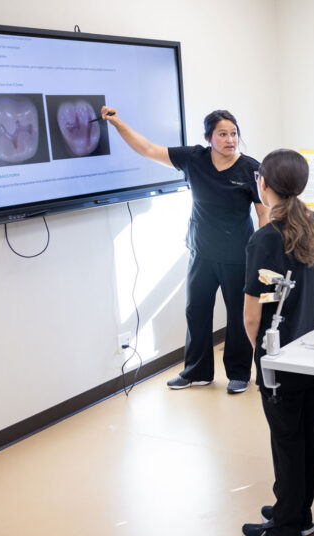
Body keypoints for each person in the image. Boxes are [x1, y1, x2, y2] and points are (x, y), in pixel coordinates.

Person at [102, 106, 269, 394]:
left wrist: (260, 253)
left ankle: (240, 373)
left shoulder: (250, 168)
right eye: (223, 134)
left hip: (237, 257)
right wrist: (117, 124)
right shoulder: (194, 159)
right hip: (201, 253)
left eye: (234, 134)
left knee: (238, 316)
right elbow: (148, 149)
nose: (230, 140)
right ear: (209, 138)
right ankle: (197, 372)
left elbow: (263, 214)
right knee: (196, 311)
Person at [240, 149, 314, 536]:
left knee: (287, 441)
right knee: (307, 437)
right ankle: (298, 513)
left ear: (264, 183)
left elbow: (250, 317)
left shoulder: (264, 239)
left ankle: (287, 529)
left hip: (282, 357)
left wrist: (262, 359)